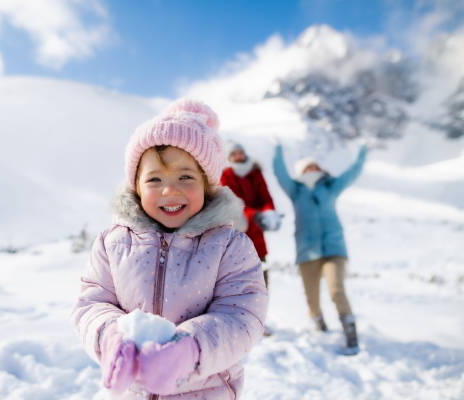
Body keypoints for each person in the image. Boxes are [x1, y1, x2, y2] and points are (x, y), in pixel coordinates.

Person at [70, 99, 267, 399]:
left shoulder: (230, 246)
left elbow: (242, 316)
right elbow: (90, 303)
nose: (169, 190)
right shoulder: (112, 244)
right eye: (155, 179)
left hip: (205, 391)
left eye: (185, 177)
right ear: (136, 185)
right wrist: (109, 334)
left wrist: (190, 349)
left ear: (207, 184)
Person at [272, 137, 367, 355]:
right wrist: (278, 148)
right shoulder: (295, 190)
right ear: (301, 171)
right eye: (308, 166)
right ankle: (319, 324)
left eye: (315, 165)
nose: (312, 168)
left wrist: (361, 151)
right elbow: (280, 173)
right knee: (311, 297)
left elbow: (352, 172)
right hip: (307, 251)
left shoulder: (330, 186)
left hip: (334, 247)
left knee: (336, 290)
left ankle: (350, 334)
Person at [220, 141, 280, 336]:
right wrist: (256, 215)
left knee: (262, 282)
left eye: (240, 152)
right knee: (236, 282)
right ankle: (238, 322)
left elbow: (266, 198)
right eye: (234, 154)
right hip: (237, 239)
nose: (238, 156)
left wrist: (269, 212)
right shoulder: (225, 176)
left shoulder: (256, 173)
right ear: (229, 158)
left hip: (258, 240)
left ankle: (259, 322)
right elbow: (235, 204)